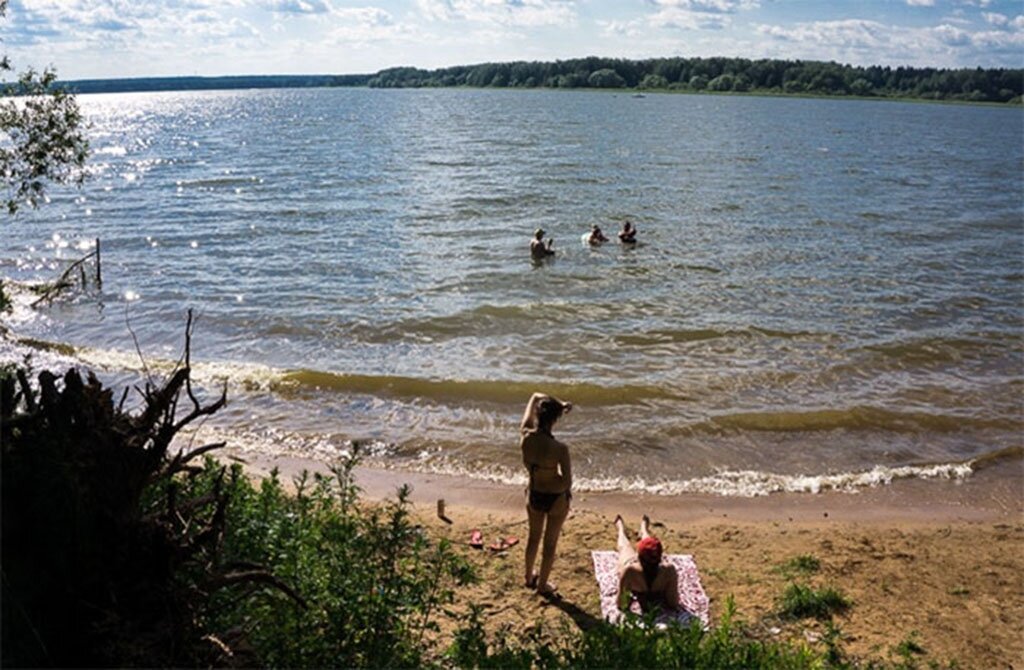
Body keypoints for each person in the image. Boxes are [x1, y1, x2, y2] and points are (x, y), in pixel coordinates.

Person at [520, 392, 573, 595]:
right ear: (555, 420)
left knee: (533, 538)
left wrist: (559, 403)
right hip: (555, 498)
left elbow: (534, 396)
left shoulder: (526, 436)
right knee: (549, 544)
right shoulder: (560, 449)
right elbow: (567, 482)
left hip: (534, 492)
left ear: (537, 415)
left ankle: (528, 577)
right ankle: (542, 586)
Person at [615, 514, 680, 614]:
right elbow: (673, 603)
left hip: (632, 564)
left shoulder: (630, 571)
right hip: (649, 566)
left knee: (624, 546)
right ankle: (643, 530)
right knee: (648, 543)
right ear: (660, 557)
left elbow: (621, 604)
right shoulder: (669, 571)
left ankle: (621, 529)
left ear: (639, 556)